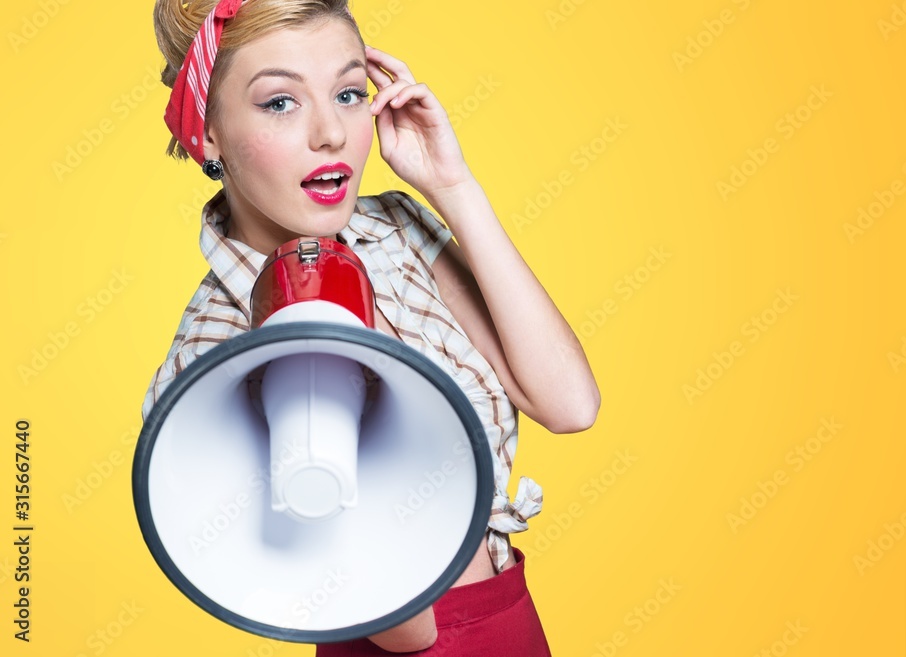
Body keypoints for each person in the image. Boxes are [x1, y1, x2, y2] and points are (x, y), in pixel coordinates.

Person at [144, 0, 600, 653]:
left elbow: (571, 402)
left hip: (510, 624)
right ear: (208, 132)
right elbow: (402, 621)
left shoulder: (394, 229)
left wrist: (453, 185)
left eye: (350, 92)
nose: (331, 132)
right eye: (280, 102)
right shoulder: (211, 357)